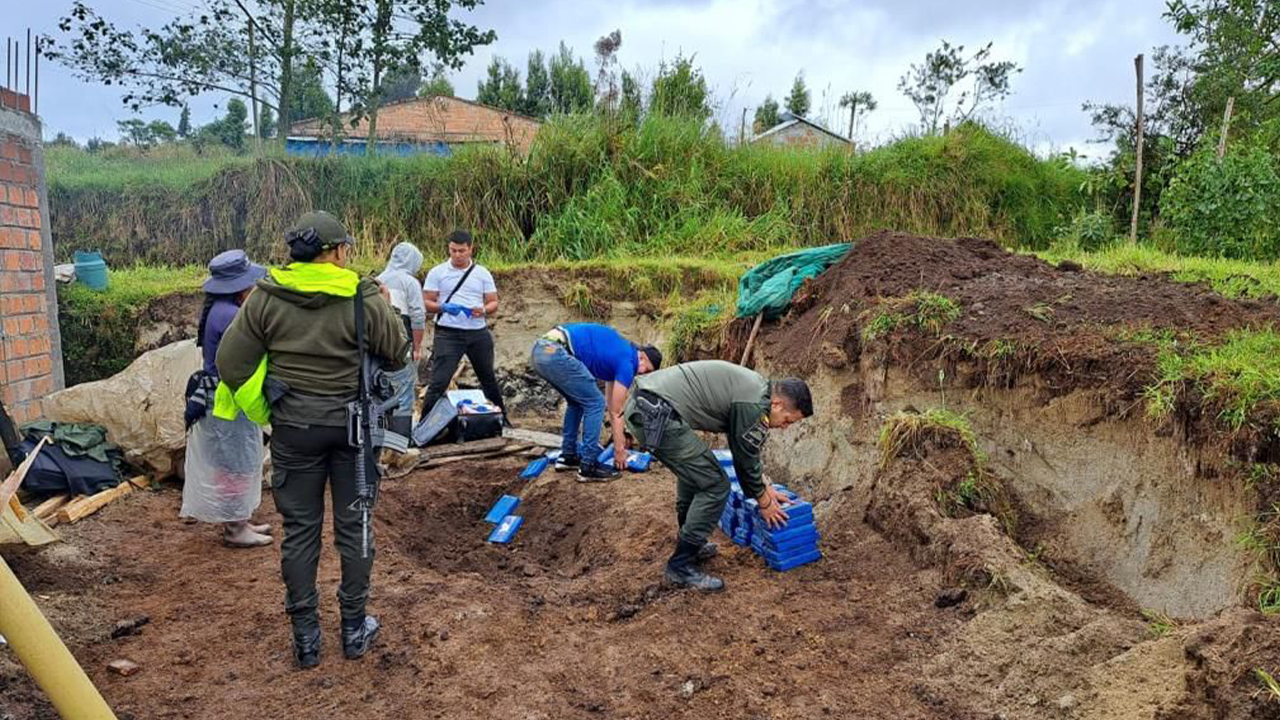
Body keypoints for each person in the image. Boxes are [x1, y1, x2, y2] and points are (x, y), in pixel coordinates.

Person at [216, 211, 408, 669]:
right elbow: (398, 350)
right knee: (355, 526)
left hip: (293, 432)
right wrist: (385, 305)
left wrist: (268, 411)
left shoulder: (265, 297)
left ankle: (306, 638)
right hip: (352, 432)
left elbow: (230, 362)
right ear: (337, 251)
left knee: (300, 533)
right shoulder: (362, 297)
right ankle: (354, 628)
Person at [624, 360, 813, 592]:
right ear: (777, 404)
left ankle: (691, 543)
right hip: (654, 415)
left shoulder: (755, 390)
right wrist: (765, 503)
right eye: (787, 420)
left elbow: (746, 452)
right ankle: (680, 566)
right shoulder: (753, 404)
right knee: (715, 484)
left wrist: (765, 486)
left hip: (649, 406)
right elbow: (744, 461)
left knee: (698, 473)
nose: (785, 427)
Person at [181, 249, 272, 548]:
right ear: (241, 287)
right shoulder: (231, 315)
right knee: (236, 462)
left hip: (221, 397)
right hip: (227, 399)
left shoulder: (220, 308)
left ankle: (240, 520)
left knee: (237, 459)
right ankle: (235, 529)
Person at [530, 323, 662, 481]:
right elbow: (616, 412)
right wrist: (619, 451)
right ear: (642, 357)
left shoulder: (618, 352)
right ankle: (588, 466)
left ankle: (568, 456)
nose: (641, 373)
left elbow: (613, 406)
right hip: (555, 352)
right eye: (646, 369)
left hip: (542, 351)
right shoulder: (628, 361)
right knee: (595, 403)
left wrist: (620, 436)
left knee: (577, 402)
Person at [418, 229, 507, 424]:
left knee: (488, 378)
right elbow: (426, 302)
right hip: (448, 334)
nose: (457, 255)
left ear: (470, 249)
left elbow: (493, 302)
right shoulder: (438, 272)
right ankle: (424, 424)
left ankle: (502, 419)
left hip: (477, 333)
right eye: (453, 250)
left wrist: (483, 310)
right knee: (439, 381)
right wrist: (443, 307)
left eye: (461, 251)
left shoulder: (482, 273)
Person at [376, 241, 427, 440]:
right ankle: (400, 444)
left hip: (378, 345)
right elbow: (417, 317)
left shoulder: (377, 280)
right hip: (401, 342)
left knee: (380, 392)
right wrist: (417, 347)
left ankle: (382, 440)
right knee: (404, 392)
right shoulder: (409, 282)